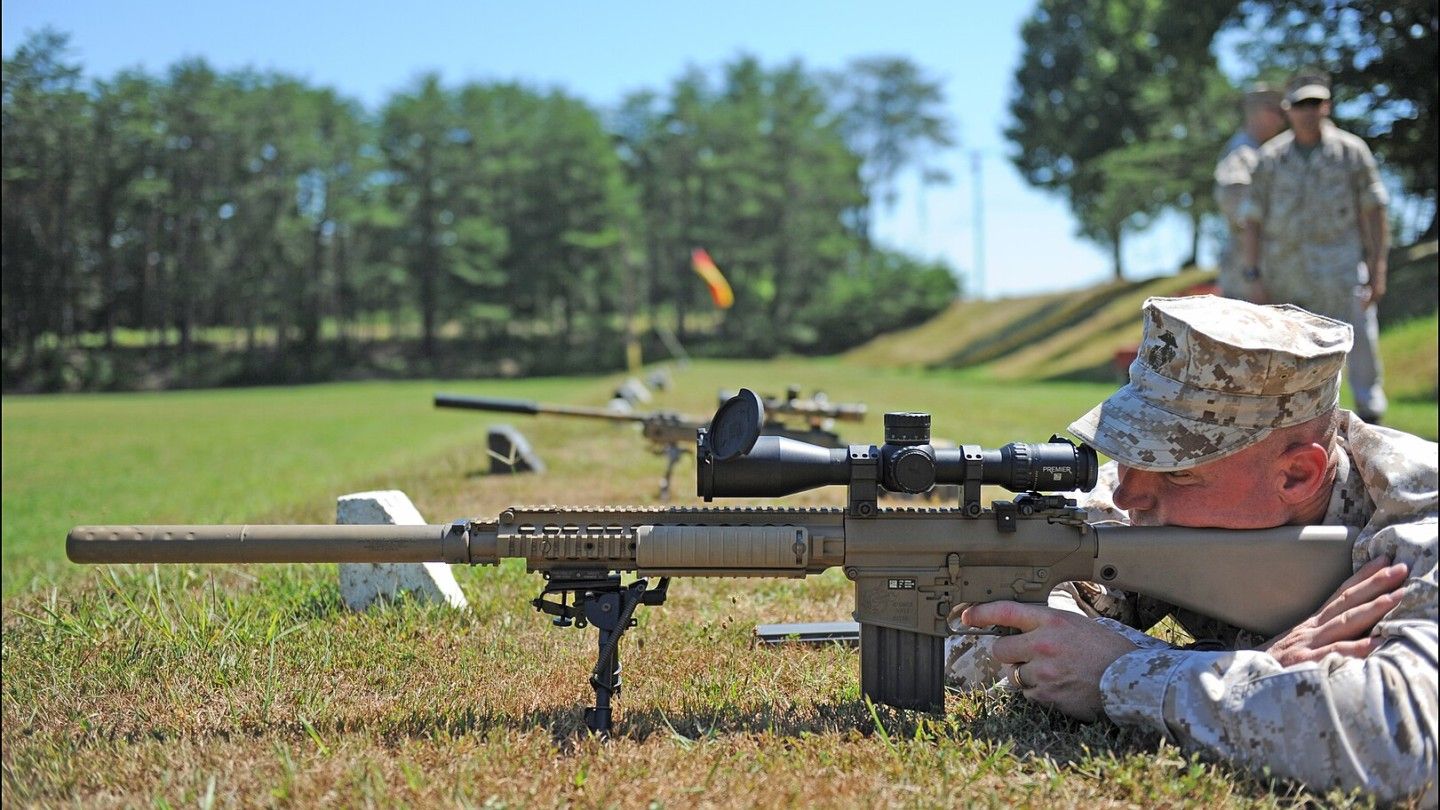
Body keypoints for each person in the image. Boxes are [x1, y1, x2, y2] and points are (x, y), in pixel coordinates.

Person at [945, 296, 1437, 806]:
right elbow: (968, 629)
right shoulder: (1153, 500)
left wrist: (1126, 674)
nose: (1125, 493)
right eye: (1129, 450)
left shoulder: (1421, 516)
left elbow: (1407, 751)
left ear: (1296, 475)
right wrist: (1247, 669)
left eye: (1176, 468)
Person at [1239, 72, 1391, 423]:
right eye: (1300, 104)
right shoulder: (1270, 159)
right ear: (1288, 109)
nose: (1308, 111)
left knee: (1362, 343)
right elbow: (1252, 219)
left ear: (1327, 106)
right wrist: (1252, 273)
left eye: (1315, 103)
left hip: (1341, 269)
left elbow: (1374, 209)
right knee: (1292, 357)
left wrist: (1378, 269)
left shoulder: (1351, 153)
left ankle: (1372, 417)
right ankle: (1302, 423)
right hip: (1287, 275)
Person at [1214, 84, 1286, 300]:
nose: (1282, 119)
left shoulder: (1268, 154)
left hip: (1269, 273)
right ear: (1257, 112)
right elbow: (1245, 219)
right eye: (1276, 111)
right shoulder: (1242, 156)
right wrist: (1252, 274)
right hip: (1248, 278)